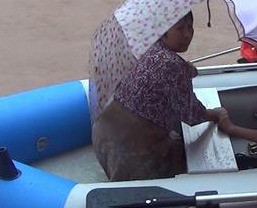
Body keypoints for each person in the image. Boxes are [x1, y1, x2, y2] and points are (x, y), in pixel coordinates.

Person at [92, 12, 224, 181]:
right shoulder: (172, 64)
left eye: (190, 27)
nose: (187, 34)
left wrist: (184, 69)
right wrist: (216, 114)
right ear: (162, 32)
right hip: (131, 150)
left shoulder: (146, 48)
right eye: (180, 29)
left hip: (104, 133)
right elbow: (192, 115)